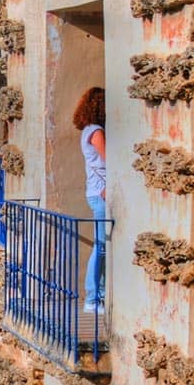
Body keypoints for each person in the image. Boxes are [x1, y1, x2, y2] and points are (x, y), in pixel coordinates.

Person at [75, 88, 110, 315]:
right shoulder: (96, 131)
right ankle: (92, 297)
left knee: (103, 246)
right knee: (100, 246)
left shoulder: (86, 130)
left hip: (95, 192)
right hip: (101, 193)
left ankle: (100, 295)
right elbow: (110, 159)